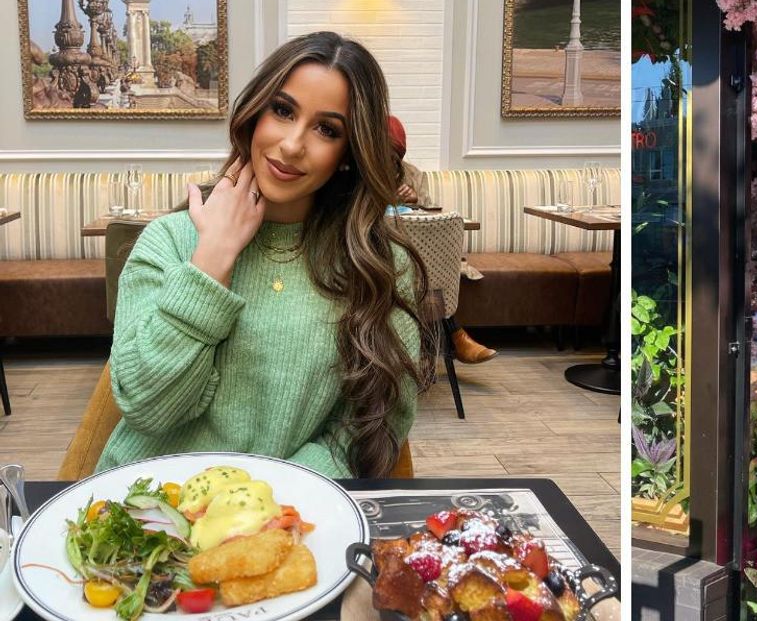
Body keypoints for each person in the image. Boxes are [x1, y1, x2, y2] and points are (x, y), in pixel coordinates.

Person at [97, 31, 432, 479]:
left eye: (327, 129)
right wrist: (211, 261)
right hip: (139, 506)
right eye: (283, 110)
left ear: (348, 154)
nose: (292, 145)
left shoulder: (377, 266)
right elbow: (145, 407)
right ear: (254, 114)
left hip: (285, 514)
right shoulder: (169, 241)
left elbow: (368, 428)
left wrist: (270, 499)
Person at [388, 115, 497, 364]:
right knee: (417, 274)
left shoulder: (413, 174)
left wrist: (415, 200)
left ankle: (436, 345)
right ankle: (456, 336)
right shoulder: (360, 172)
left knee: (431, 271)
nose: (388, 162)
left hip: (413, 252)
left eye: (394, 157)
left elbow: (432, 211)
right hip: (378, 251)